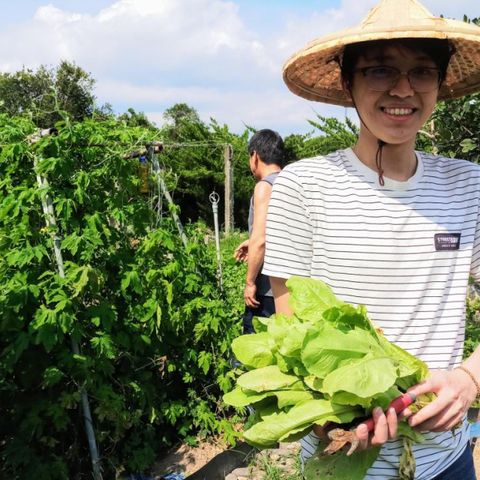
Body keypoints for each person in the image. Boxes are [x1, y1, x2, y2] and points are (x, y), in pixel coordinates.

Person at [262, 0, 480, 478]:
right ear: (348, 83)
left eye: (421, 71)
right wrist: (331, 415)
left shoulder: (470, 186)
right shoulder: (304, 186)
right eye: (381, 70)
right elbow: (291, 327)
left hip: (447, 460)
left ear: (440, 84)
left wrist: (469, 378)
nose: (403, 89)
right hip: (340, 461)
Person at [234, 129, 286, 334]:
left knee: (255, 354)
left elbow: (261, 240)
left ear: (255, 156)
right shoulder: (292, 183)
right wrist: (251, 241)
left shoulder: (264, 186)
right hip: (290, 290)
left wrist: (249, 283)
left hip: (267, 290)